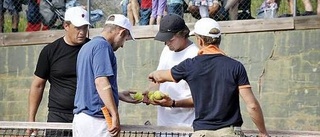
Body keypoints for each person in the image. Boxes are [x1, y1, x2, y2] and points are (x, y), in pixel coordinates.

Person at [148, 18, 270, 137]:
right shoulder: (236, 66)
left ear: (199, 40)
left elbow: (159, 76)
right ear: (219, 39)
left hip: (201, 132)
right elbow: (252, 105)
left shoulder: (190, 65)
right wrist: (263, 132)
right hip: (229, 132)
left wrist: (153, 76)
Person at [27, 6, 91, 136]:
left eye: (85, 27)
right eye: (78, 27)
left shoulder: (93, 49)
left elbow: (101, 82)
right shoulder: (50, 51)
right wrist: (31, 120)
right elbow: (38, 85)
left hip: (87, 115)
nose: (82, 32)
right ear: (66, 26)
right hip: (57, 117)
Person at [73, 14, 136, 137]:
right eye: (125, 40)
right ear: (122, 32)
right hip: (97, 121)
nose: (122, 45)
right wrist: (115, 114)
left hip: (82, 120)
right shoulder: (103, 46)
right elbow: (101, 81)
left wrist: (117, 95)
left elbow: (91, 87)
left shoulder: (87, 47)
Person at [143, 14, 198, 128]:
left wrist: (173, 103)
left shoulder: (195, 55)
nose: (167, 43)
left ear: (183, 34)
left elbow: (200, 98)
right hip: (163, 125)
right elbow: (157, 79)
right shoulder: (167, 50)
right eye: (164, 40)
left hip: (186, 126)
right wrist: (149, 93)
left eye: (170, 39)